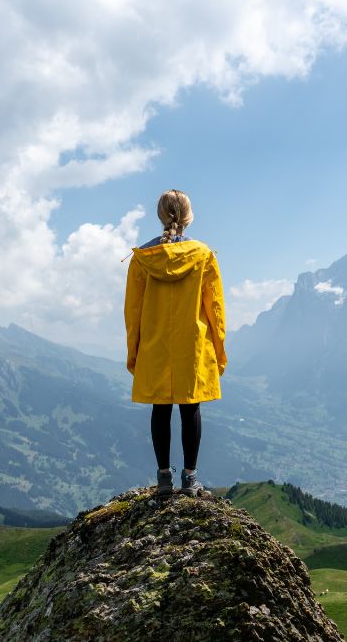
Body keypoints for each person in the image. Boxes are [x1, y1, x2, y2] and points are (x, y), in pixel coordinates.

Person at [124, 189, 227, 497]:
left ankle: (164, 479)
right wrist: (219, 351)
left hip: (155, 343)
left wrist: (134, 352)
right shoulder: (203, 255)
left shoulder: (143, 259)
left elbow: (133, 311)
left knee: (160, 407)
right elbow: (216, 310)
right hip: (192, 345)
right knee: (190, 407)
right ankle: (191, 477)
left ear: (160, 215)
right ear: (188, 216)